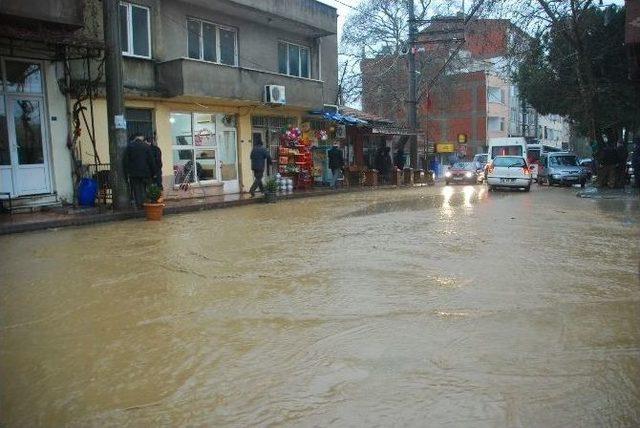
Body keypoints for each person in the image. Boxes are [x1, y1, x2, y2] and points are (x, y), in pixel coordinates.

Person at [124, 134, 156, 209]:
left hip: (134, 173)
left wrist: (127, 173)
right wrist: (154, 172)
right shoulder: (146, 146)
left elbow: (126, 162)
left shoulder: (130, 146)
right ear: (141, 138)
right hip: (145, 172)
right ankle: (146, 204)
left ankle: (139, 206)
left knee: (137, 189)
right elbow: (151, 161)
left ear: (135, 138)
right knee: (145, 188)